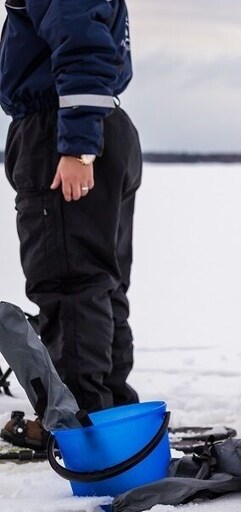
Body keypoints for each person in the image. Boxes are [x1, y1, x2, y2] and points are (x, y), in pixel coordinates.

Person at [0, 0, 142, 449]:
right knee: (99, 285)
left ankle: (80, 423)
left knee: (71, 284)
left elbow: (82, 45)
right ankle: (111, 415)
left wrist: (77, 147)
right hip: (89, 125)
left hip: (63, 131)